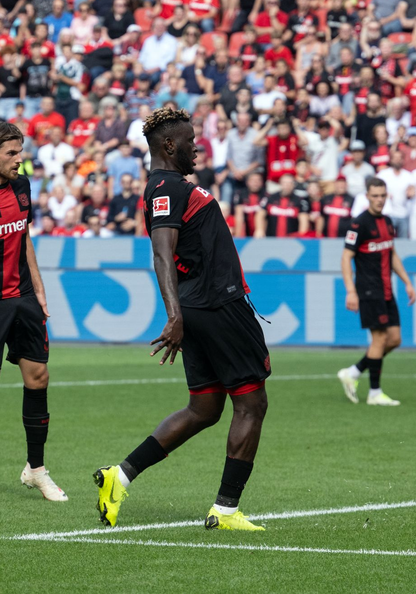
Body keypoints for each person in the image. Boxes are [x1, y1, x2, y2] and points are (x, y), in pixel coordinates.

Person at [94, 109, 270, 532]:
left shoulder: (167, 187)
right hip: (216, 305)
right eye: (191, 140)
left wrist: (180, 314)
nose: (198, 146)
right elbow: (161, 253)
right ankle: (226, 510)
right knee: (251, 402)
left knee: (204, 408)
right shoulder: (165, 189)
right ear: (170, 146)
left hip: (200, 307)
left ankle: (120, 476)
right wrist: (173, 315)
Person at [0, 121, 67, 505]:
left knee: (38, 377)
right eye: (12, 153)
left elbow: (23, 236)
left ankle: (36, 470)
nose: (19, 159)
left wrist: (39, 290)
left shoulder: (23, 187)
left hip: (23, 298)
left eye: (20, 151)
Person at [337, 177, 416, 406]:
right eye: (375, 196)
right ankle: (374, 392)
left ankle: (353, 372)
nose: (380, 200)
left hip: (387, 290)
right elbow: (346, 257)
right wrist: (351, 291)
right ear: (367, 196)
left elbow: (391, 253)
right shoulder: (359, 224)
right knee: (380, 338)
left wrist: (407, 282)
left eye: (383, 195)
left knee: (394, 339)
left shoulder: (388, 222)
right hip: (369, 290)